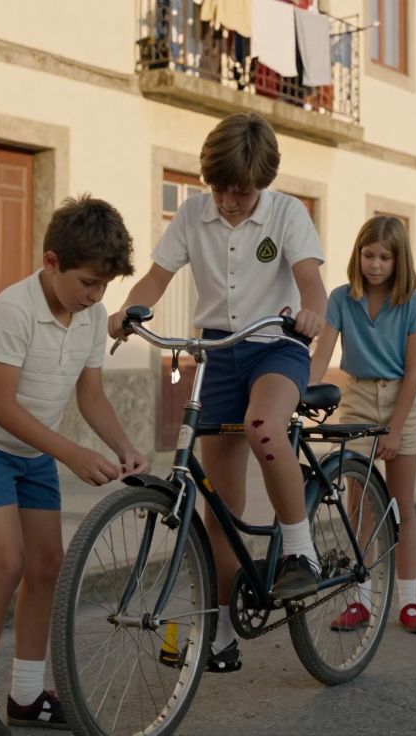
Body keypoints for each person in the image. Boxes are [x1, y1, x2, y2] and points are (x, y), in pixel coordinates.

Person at [108, 111, 327, 673]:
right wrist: (132, 309)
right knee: (220, 505)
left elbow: (310, 281)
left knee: (264, 425)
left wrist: (311, 313)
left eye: (242, 191)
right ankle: (221, 631)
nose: (230, 201)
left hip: (276, 344)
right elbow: (157, 277)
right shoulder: (191, 213)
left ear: (263, 182)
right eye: (221, 190)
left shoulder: (286, 213)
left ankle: (300, 548)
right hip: (217, 353)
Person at [0, 195, 148, 734]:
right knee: (7, 562)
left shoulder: (93, 315)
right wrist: (73, 453)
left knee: (46, 566)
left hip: (33, 450)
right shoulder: (14, 309)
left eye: (104, 286)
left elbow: (91, 396)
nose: (95, 296)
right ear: (51, 261)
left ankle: (28, 695)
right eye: (87, 282)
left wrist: (122, 445)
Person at [309, 215, 416, 634]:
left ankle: (410, 602)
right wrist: (302, 391)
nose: (375, 264)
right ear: (357, 255)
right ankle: (360, 599)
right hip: (359, 399)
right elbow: (322, 353)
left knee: (401, 506)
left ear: (399, 260)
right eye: (369, 255)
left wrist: (396, 429)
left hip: (402, 400)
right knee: (358, 503)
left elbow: (415, 372)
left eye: (385, 257)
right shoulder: (341, 299)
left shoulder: (413, 303)